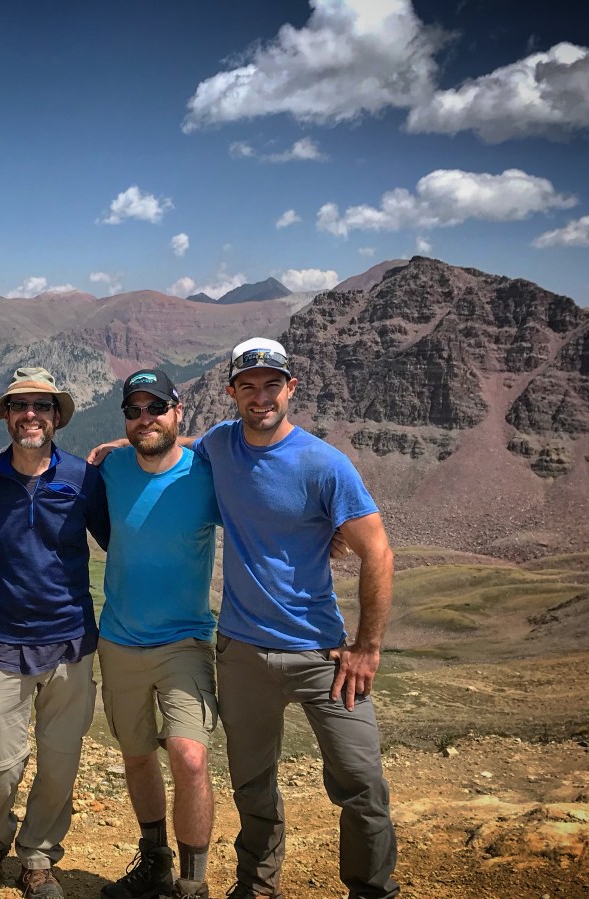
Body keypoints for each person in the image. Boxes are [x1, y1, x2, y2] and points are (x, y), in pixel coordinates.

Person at [194, 337, 400, 899]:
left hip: (322, 655)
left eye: (271, 385)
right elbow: (184, 445)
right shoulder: (220, 443)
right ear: (233, 392)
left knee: (361, 783)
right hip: (240, 652)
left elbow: (377, 552)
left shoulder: (325, 465)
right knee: (252, 785)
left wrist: (368, 647)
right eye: (248, 386)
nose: (260, 397)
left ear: (291, 388)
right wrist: (123, 440)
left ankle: (371, 890)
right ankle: (257, 888)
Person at [0, 366, 110, 899]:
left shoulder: (82, 479)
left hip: (72, 643)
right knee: (1, 762)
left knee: (60, 763)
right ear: (6, 417)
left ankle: (39, 858)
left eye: (41, 407)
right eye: (21, 406)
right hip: (3, 641)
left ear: (56, 417)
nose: (31, 416)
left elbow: (122, 538)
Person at [95, 369, 222, 899]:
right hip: (120, 640)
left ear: (178, 409)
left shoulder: (209, 472)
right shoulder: (109, 467)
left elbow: (268, 482)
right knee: (136, 754)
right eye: (134, 411)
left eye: (155, 408)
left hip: (185, 642)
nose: (144, 419)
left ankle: (193, 885)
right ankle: (156, 866)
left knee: (190, 757)